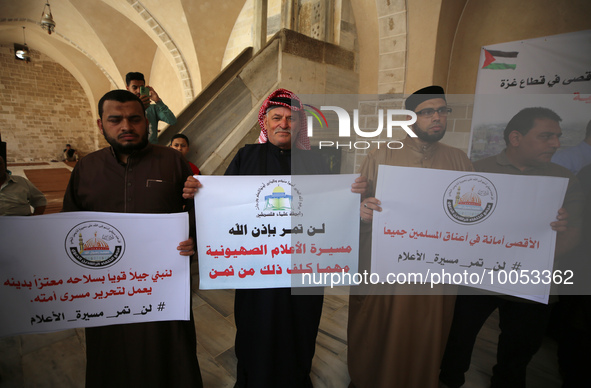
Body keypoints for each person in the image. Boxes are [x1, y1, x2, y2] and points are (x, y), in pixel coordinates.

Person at [183, 89, 329, 388]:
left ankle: (297, 378)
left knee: (300, 325)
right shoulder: (246, 156)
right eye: (276, 118)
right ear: (265, 122)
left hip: (301, 268)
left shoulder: (316, 162)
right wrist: (197, 194)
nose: (283, 124)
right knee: (256, 325)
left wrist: (354, 196)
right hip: (257, 266)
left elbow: (330, 208)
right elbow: (222, 205)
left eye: (291, 119)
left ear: (300, 125)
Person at [62, 89, 202, 388]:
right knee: (110, 354)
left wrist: (193, 241)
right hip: (104, 288)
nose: (126, 126)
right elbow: (68, 226)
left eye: (134, 119)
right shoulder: (86, 168)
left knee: (169, 351)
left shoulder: (172, 161)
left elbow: (195, 215)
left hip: (162, 285)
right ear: (101, 124)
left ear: (146, 123)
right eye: (115, 119)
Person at [439, 107, 582, 388]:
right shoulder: (475, 171)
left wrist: (533, 254)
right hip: (475, 279)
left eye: (557, 137)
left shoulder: (566, 180)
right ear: (515, 138)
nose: (555, 144)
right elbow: (452, 225)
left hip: (531, 285)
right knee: (456, 342)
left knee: (517, 357)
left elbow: (572, 237)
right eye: (546, 136)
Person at [347, 85, 474, 388]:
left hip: (435, 276)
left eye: (442, 111)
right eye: (428, 112)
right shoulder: (381, 154)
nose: (437, 118)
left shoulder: (459, 162)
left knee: (425, 333)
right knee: (377, 329)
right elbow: (354, 208)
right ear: (410, 118)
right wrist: (362, 212)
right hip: (386, 271)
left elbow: (474, 217)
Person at [125, 72, 177, 144]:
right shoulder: (123, 108)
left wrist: (158, 101)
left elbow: (172, 121)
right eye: (135, 88)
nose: (138, 91)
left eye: (142, 87)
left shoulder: (153, 109)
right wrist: (138, 108)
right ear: (128, 88)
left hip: (152, 151)